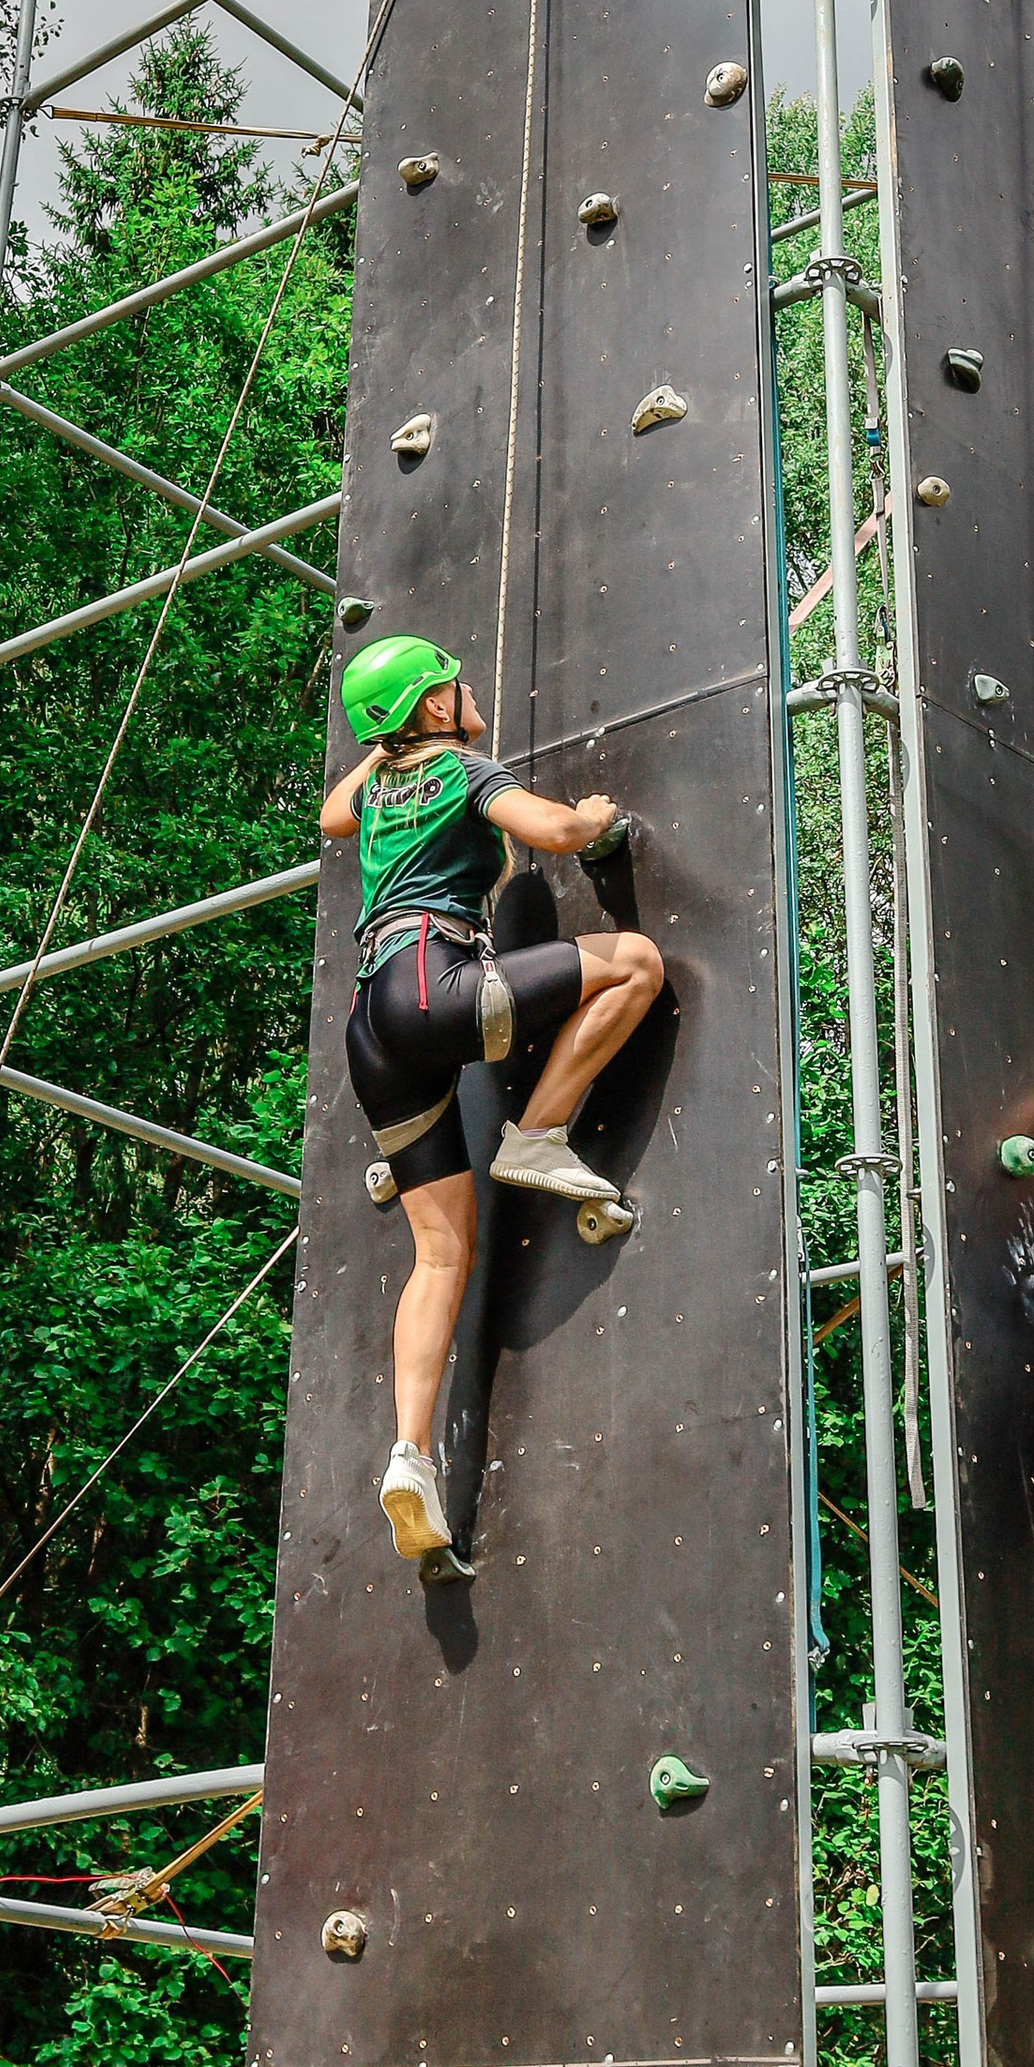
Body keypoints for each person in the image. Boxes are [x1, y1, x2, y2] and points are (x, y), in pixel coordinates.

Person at [318, 632, 666, 1560]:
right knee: (636, 963)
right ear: (435, 707)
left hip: (373, 1025)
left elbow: (330, 814)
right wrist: (591, 816)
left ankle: (411, 1455)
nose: (467, 689)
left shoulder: (377, 787)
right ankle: (539, 1132)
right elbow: (549, 830)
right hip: (435, 982)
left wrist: (386, 740)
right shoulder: (466, 771)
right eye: (452, 683)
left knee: (440, 1253)